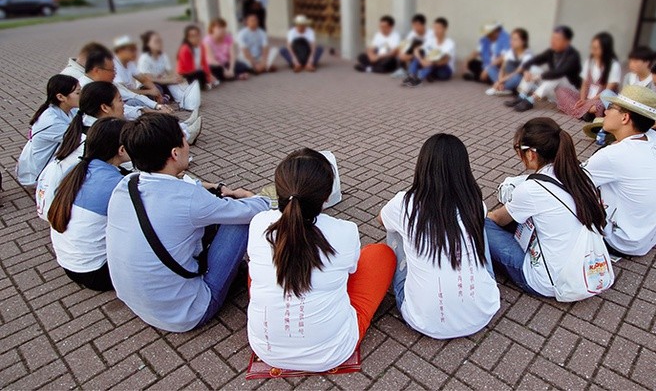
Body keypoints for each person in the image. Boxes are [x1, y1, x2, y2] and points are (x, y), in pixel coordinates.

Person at [106, 113, 270, 333]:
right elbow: (251, 211)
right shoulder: (188, 198)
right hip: (186, 313)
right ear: (174, 153)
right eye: (185, 141)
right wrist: (255, 197)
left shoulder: (126, 184)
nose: (188, 146)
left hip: (136, 302)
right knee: (239, 221)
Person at [248, 149, 395, 371]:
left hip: (266, 349)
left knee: (259, 272)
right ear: (326, 197)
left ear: (278, 191)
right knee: (380, 254)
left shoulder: (259, 224)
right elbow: (353, 271)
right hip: (333, 351)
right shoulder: (345, 231)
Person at [378, 134, 499, 338]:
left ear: (423, 166)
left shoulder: (404, 204)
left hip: (425, 320)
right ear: (463, 169)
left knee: (394, 231)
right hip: (482, 312)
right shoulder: (475, 203)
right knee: (479, 226)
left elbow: (381, 219)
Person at [485, 118, 608, 298]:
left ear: (531, 154)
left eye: (518, 149)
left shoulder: (532, 189)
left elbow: (497, 218)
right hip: (589, 268)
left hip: (547, 282)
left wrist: (477, 212)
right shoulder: (582, 176)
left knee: (482, 224)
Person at [582, 85, 656, 257]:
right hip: (654, 231)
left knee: (569, 195)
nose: (605, 112)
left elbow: (570, 181)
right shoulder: (655, 138)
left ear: (625, 117)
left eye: (611, 108)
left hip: (625, 241)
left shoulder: (613, 155)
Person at [48, 118, 129, 291]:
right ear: (122, 150)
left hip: (70, 266)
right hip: (98, 273)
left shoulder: (76, 170)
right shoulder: (117, 184)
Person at [36, 82, 125, 221]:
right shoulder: (101, 139)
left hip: (51, 202)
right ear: (105, 107)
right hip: (61, 212)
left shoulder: (81, 126)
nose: (123, 104)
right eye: (120, 100)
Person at [16, 74, 81, 187]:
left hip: (41, 165)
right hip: (38, 175)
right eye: (78, 93)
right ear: (61, 97)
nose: (82, 96)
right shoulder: (52, 121)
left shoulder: (67, 109)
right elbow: (83, 140)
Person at [505, 26, 582, 112]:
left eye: (557, 39)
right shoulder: (551, 52)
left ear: (567, 42)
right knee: (533, 69)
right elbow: (531, 61)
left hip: (569, 92)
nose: (553, 41)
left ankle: (531, 100)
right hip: (551, 90)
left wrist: (538, 76)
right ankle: (521, 96)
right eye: (553, 38)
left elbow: (560, 72)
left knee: (558, 75)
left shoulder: (573, 56)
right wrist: (526, 71)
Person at [555, 32, 621, 121]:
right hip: (586, 98)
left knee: (599, 106)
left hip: (599, 99)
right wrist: (582, 99)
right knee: (561, 91)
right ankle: (587, 112)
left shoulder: (614, 65)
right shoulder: (590, 61)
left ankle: (586, 111)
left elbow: (608, 91)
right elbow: (584, 84)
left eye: (596, 48)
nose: (593, 50)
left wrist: (589, 101)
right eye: (592, 47)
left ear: (605, 49)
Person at [138, 30, 201, 111]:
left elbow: (170, 72)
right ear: (148, 44)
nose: (159, 43)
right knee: (158, 88)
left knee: (178, 84)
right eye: (156, 41)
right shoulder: (144, 59)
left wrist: (177, 78)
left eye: (160, 41)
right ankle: (161, 98)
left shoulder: (163, 56)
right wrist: (168, 80)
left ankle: (168, 97)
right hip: (149, 84)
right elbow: (147, 79)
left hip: (162, 81)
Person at [403, 17, 456, 87]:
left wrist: (430, 63)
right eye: (435, 28)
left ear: (445, 29)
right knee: (419, 56)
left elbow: (444, 60)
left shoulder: (450, 43)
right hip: (431, 67)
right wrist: (421, 60)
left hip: (444, 70)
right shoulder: (431, 40)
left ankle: (418, 78)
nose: (436, 31)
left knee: (433, 60)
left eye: (439, 28)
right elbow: (416, 50)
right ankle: (411, 76)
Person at [113, 35, 164, 103]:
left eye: (134, 50)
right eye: (131, 50)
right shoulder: (114, 64)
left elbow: (143, 79)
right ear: (120, 51)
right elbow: (124, 92)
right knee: (134, 102)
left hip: (133, 92)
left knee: (157, 87)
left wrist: (155, 90)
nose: (135, 53)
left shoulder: (129, 62)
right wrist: (149, 92)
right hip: (122, 98)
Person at [486, 28, 533, 96]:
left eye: (515, 39)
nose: (512, 42)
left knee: (518, 77)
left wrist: (499, 81)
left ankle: (501, 88)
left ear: (523, 41)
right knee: (490, 69)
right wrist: (500, 81)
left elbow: (516, 72)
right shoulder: (510, 51)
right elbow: (502, 69)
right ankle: (503, 88)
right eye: (511, 39)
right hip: (505, 78)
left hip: (514, 78)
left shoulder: (528, 55)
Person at [177, 24, 218, 91]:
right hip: (187, 74)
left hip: (198, 71)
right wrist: (207, 77)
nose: (196, 38)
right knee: (200, 74)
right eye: (192, 36)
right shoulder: (185, 49)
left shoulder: (201, 46)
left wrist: (209, 74)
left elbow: (204, 62)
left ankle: (206, 82)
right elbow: (189, 69)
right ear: (188, 38)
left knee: (215, 68)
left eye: (197, 35)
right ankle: (204, 84)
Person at [390, 14, 432, 79]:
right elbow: (405, 44)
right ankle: (404, 70)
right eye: (413, 25)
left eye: (417, 25)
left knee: (418, 54)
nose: (415, 28)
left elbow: (428, 51)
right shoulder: (413, 33)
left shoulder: (430, 34)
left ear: (423, 25)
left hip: (426, 56)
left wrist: (410, 56)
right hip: (415, 54)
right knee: (400, 52)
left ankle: (412, 74)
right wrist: (402, 53)